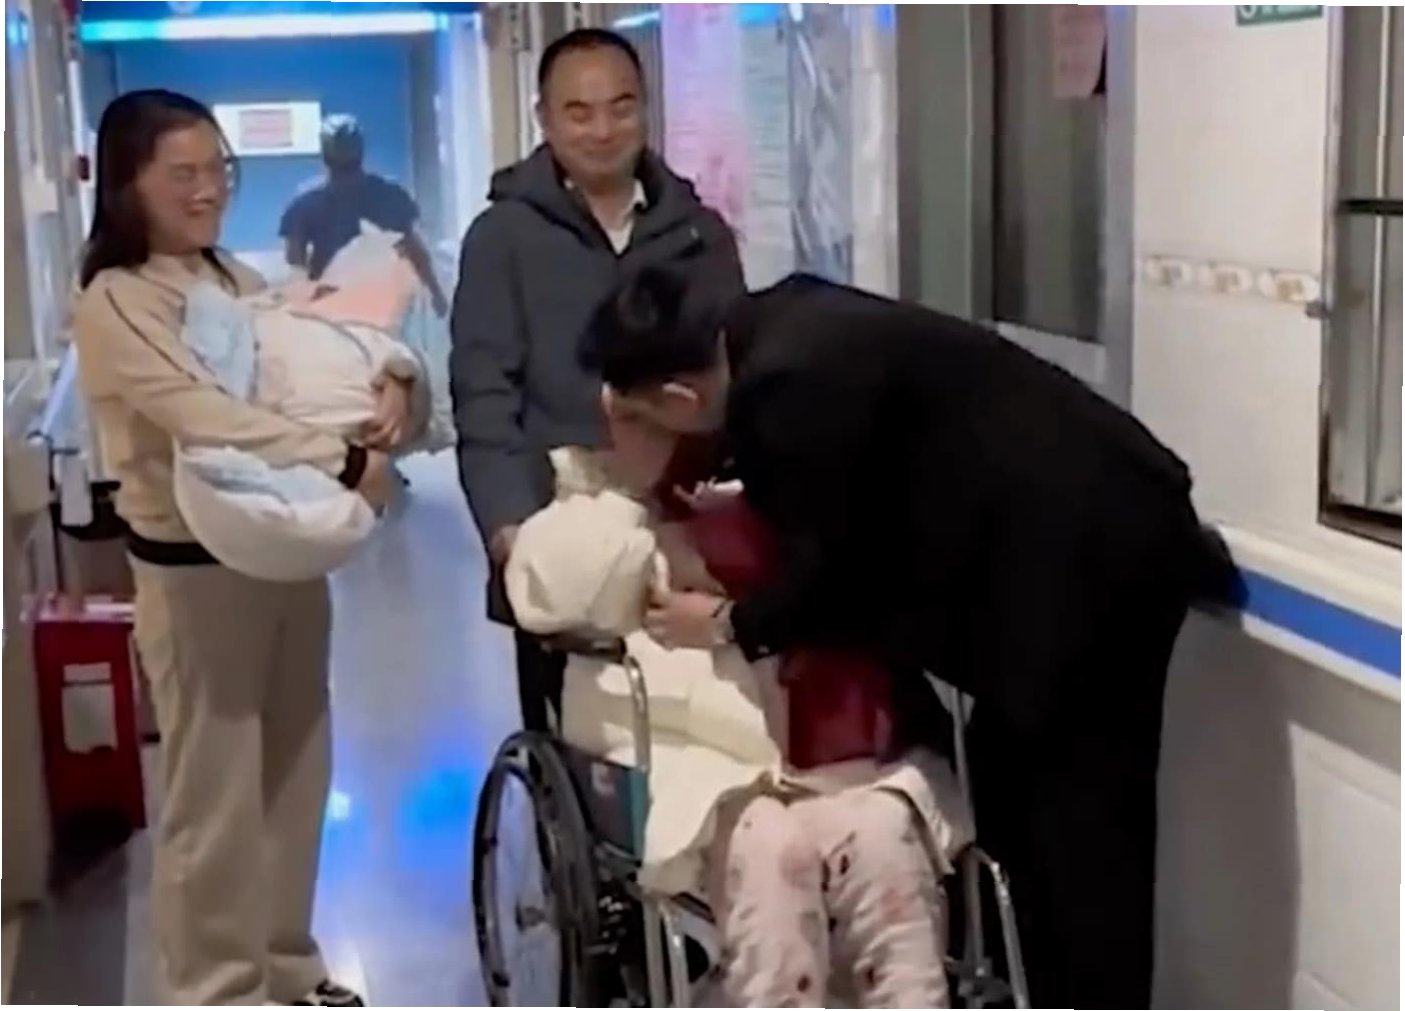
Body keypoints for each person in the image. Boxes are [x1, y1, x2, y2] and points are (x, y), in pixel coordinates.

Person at [582, 265, 1244, 1009]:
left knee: (1083, 838)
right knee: (1019, 806)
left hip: (1089, 568)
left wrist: (725, 624)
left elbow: (833, 574)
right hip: (1086, 537)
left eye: (643, 418)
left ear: (681, 397)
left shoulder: (784, 389)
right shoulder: (782, 319)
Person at [71, 89, 406, 1006]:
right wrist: (344, 461)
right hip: (194, 574)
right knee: (213, 795)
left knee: (296, 770)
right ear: (127, 184)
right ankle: (216, 987)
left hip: (282, 554)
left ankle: (286, 966)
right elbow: (203, 413)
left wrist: (391, 381)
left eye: (218, 169)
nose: (208, 189)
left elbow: (304, 353)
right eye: (181, 173)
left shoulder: (230, 277)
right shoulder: (118, 299)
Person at [450, 27, 744, 733]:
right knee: (578, 733)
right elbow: (484, 393)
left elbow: (731, 375)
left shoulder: (698, 233)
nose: (603, 130)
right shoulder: (503, 237)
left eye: (621, 106)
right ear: (544, 120)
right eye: (578, 112)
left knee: (694, 718)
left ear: (646, 110)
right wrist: (511, 532)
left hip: (679, 519)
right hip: (560, 520)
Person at [280, 114, 448, 316]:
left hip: (330, 305)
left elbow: (295, 262)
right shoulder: (390, 194)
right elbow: (414, 249)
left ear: (324, 154)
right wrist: (435, 292)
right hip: (380, 303)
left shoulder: (305, 201)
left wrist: (299, 303)